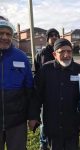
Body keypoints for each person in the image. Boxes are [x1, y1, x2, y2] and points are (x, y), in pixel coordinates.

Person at [29, 38, 80, 150]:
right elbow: (36, 95)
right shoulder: (45, 70)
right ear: (54, 54)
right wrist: (33, 116)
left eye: (69, 51)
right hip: (52, 124)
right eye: (62, 52)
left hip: (72, 125)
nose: (66, 55)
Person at [0, 16, 33, 150]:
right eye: (1, 33)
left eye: (8, 34)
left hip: (17, 122)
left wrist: (32, 116)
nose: (5, 37)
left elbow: (30, 89)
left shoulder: (21, 57)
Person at [34, 28, 60, 150]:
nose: (54, 37)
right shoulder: (41, 54)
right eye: (51, 35)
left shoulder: (62, 51)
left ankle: (57, 141)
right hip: (45, 93)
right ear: (47, 38)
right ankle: (43, 143)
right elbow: (36, 73)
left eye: (56, 35)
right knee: (44, 120)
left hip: (61, 91)